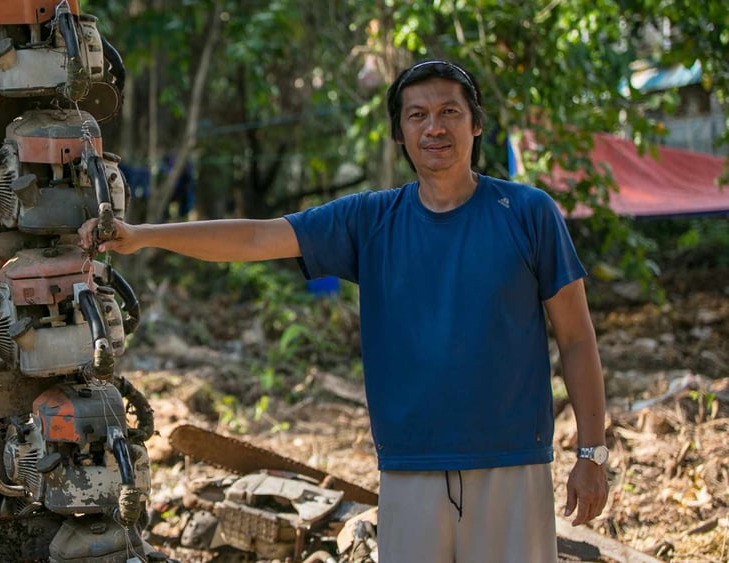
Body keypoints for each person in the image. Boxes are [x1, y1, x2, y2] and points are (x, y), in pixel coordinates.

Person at [79, 59, 609, 562]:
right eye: (417, 115)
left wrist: (591, 453)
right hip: (410, 468)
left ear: (476, 125)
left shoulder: (527, 213)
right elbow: (258, 236)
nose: (435, 127)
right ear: (400, 134)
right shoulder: (371, 220)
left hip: (512, 463)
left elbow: (578, 338)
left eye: (450, 111)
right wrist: (142, 236)